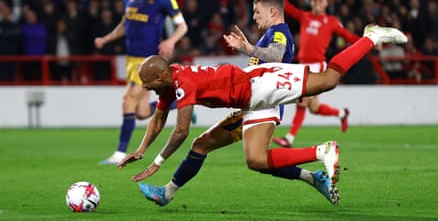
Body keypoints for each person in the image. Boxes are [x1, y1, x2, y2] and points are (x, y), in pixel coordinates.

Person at [118, 24, 407, 206]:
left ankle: (371, 37)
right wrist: (141, 150)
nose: (146, 89)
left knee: (329, 80)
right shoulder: (169, 81)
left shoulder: (183, 84)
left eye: (148, 84)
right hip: (250, 102)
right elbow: (158, 118)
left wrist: (157, 162)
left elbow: (180, 130)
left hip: (261, 84)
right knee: (247, 157)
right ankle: (167, 194)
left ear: (160, 76)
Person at [125, 0, 343, 206]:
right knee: (230, 153)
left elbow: (276, 55)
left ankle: (317, 162)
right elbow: (159, 116)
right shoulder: (269, 34)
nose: (254, 16)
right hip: (251, 99)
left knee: (253, 158)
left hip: (261, 102)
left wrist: (247, 49)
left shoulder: (279, 33)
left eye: (257, 12)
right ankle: (312, 176)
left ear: (273, 12)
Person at [94, 0, 188, 165]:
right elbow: (123, 26)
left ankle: (119, 153)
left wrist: (171, 41)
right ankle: (177, 104)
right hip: (131, 60)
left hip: (148, 62)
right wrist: (106, 38)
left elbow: (183, 26)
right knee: (141, 112)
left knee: (127, 100)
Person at [254, 0, 361, 148]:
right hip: (303, 65)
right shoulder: (305, 17)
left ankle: (289, 139)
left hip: (317, 66)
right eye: (313, 0)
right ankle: (342, 114)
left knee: (302, 102)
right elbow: (286, 5)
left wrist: (369, 40)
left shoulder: (331, 22)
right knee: (314, 108)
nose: (316, 3)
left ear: (326, 3)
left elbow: (348, 37)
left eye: (320, 0)